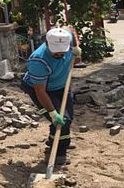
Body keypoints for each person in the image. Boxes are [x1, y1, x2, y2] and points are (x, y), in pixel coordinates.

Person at [20, 28, 81, 165]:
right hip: (41, 90)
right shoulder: (38, 61)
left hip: (61, 85)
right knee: (61, 120)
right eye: (56, 52)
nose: (60, 54)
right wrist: (53, 113)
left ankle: (54, 140)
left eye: (62, 51)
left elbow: (70, 30)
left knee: (67, 118)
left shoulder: (66, 38)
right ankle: (59, 153)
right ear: (46, 43)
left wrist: (76, 48)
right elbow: (40, 91)